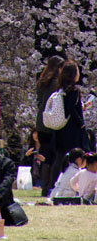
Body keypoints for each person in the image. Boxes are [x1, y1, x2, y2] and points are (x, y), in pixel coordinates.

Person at [49, 60, 90, 190]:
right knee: (77, 157)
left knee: (60, 158)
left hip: (61, 128)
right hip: (72, 129)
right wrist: (81, 124)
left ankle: (53, 185)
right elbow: (71, 109)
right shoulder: (74, 90)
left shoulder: (60, 89)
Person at [35, 55, 64, 196]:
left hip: (41, 122)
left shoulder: (42, 82)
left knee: (45, 156)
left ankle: (44, 187)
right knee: (53, 157)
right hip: (52, 123)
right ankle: (50, 186)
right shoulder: (55, 83)